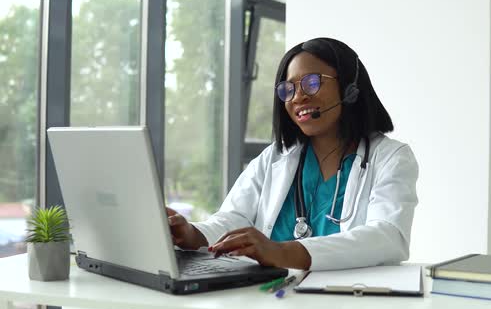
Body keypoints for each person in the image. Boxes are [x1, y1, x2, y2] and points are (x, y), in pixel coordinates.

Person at [167, 37, 418, 273]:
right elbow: (232, 219)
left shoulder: (390, 158)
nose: (298, 97)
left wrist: (284, 251)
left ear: (349, 89)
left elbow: (388, 236)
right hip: (270, 299)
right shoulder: (274, 158)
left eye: (312, 82)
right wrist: (191, 234)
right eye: (288, 89)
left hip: (342, 307)